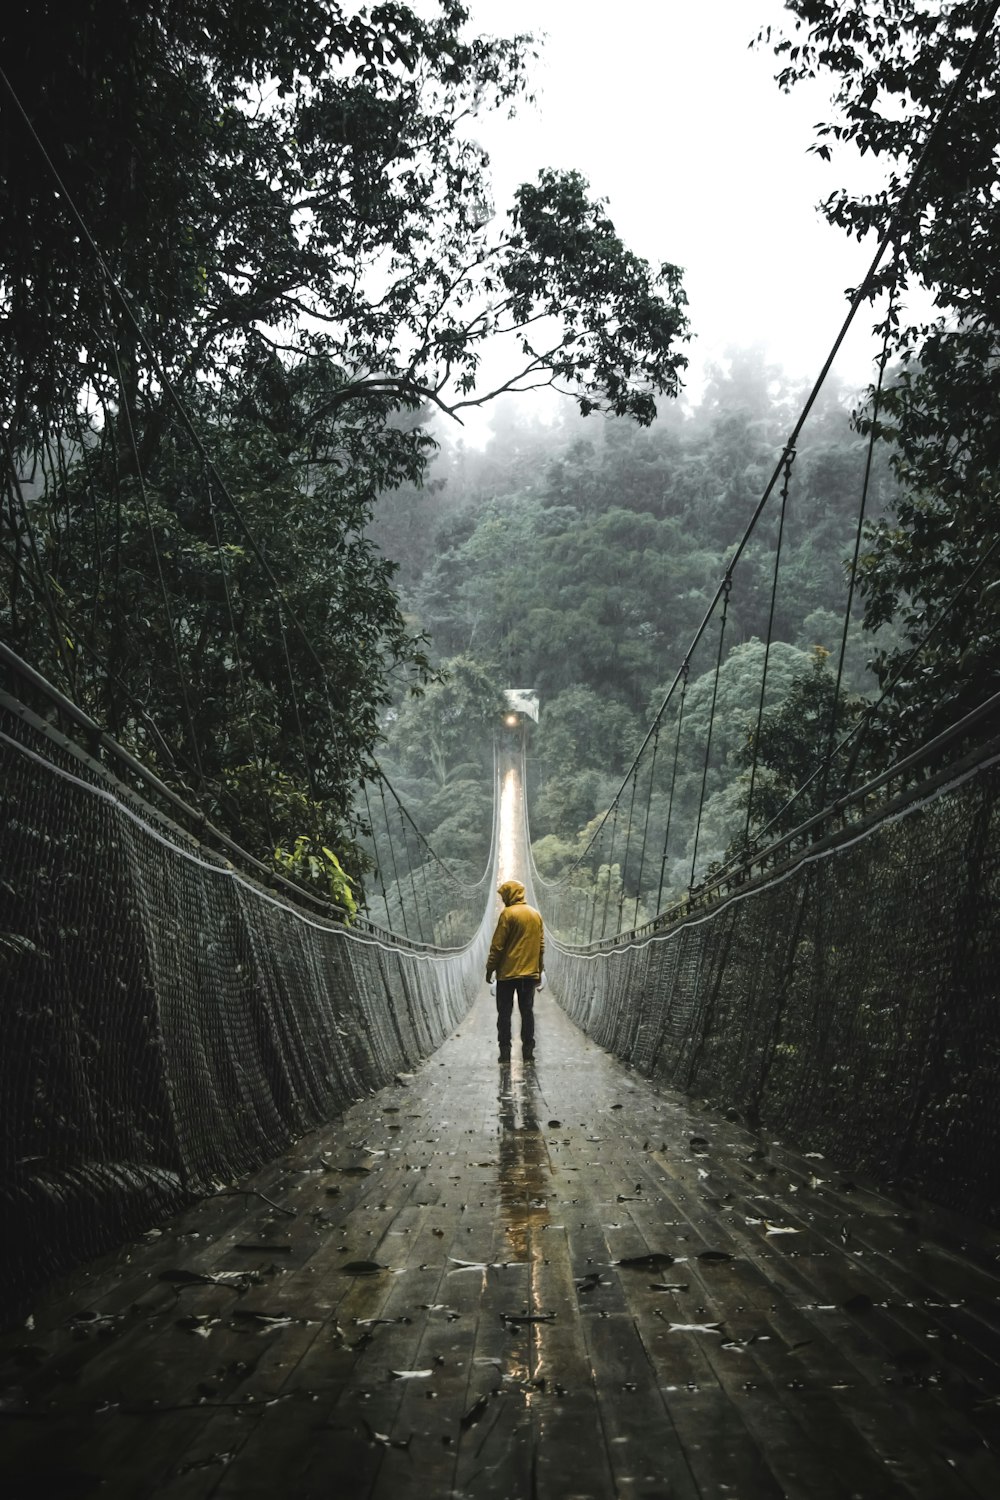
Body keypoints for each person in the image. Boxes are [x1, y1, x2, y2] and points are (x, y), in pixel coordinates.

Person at [486, 878, 544, 1062]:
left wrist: (490, 969)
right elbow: (541, 946)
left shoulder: (508, 914)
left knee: (504, 1013)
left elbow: (497, 946)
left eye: (504, 896)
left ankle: (505, 1051)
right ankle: (528, 1049)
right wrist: (539, 969)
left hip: (507, 975)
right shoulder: (535, 914)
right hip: (528, 975)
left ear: (510, 895)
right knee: (527, 1012)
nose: (503, 900)